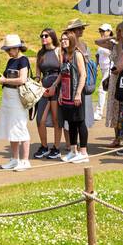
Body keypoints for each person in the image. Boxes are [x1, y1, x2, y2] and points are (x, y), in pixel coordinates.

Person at [48, 30, 89, 163]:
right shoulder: (65, 55)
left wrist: (78, 93)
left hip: (76, 93)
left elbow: (83, 75)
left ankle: (83, 152)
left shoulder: (77, 54)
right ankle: (73, 150)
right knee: (70, 123)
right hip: (66, 94)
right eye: (62, 39)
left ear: (71, 40)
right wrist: (58, 89)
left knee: (80, 122)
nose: (63, 41)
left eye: (65, 39)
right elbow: (63, 73)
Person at [0, 34, 32, 171]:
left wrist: (5, 81)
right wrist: (0, 79)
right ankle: (15, 159)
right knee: (11, 129)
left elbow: (22, 79)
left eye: (10, 49)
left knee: (20, 127)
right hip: (8, 97)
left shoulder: (23, 60)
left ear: (17, 48)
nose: (9, 52)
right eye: (7, 49)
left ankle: (25, 160)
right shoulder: (10, 61)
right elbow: (8, 78)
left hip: (18, 97)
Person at [33, 28, 61, 160]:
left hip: (56, 86)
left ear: (52, 37)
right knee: (40, 120)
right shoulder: (40, 53)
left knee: (56, 119)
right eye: (41, 36)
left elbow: (62, 70)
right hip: (44, 87)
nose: (43, 38)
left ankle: (56, 148)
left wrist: (55, 86)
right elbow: (38, 73)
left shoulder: (58, 50)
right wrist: (38, 85)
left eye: (46, 36)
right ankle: (44, 146)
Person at [94, 23, 113, 120]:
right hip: (103, 70)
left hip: (110, 69)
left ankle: (99, 112)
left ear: (109, 31)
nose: (101, 33)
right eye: (100, 31)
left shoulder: (112, 42)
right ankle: (112, 111)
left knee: (102, 90)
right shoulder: (101, 44)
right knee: (110, 91)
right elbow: (97, 55)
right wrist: (96, 66)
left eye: (103, 31)